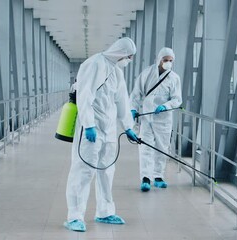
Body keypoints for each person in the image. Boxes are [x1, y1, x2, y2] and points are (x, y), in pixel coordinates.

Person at [64, 37, 139, 232]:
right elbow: (84, 94)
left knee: (106, 171)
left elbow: (122, 100)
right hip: (92, 128)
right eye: (128, 56)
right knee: (84, 171)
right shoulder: (94, 64)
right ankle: (74, 216)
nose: (129, 60)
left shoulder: (117, 71)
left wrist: (128, 127)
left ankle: (105, 212)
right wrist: (88, 124)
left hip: (109, 129)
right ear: (121, 53)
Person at [130, 47, 182, 192]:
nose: (168, 63)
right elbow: (136, 93)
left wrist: (165, 106)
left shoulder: (174, 78)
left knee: (162, 147)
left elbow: (177, 99)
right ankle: (146, 178)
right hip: (146, 117)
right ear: (159, 59)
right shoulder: (147, 73)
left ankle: (158, 176)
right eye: (165, 60)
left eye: (171, 61)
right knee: (145, 147)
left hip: (164, 119)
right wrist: (133, 109)